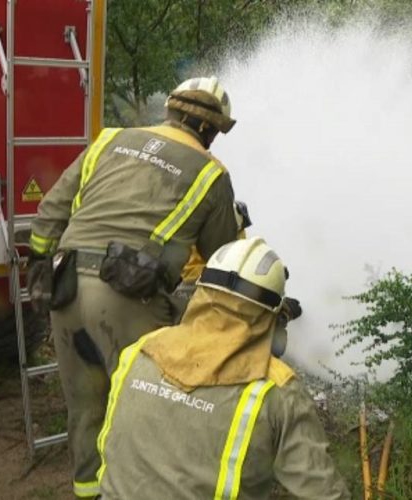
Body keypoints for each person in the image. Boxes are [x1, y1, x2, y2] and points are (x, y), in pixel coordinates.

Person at [27, 76, 242, 498]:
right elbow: (223, 261)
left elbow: (49, 213)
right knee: (143, 412)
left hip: (65, 288)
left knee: (85, 410)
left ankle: (89, 492)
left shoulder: (110, 139)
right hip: (130, 298)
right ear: (208, 128)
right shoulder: (211, 173)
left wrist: (39, 259)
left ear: (170, 110)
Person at [96, 237, 350, 499]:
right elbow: (323, 493)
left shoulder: (142, 349)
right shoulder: (275, 389)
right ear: (271, 314)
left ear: (201, 291)